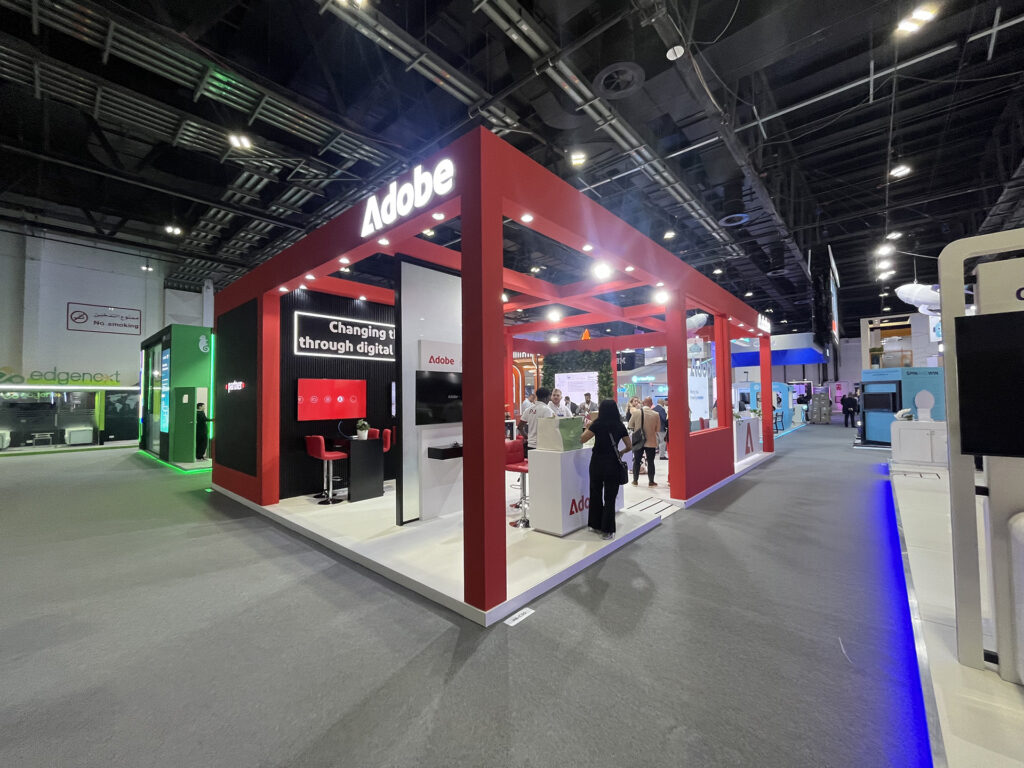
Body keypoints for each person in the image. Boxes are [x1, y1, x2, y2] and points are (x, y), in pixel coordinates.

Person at [580, 399, 632, 540]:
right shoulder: (619, 425)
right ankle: (608, 530)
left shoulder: (597, 424)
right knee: (610, 497)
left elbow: (582, 439)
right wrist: (621, 452)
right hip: (612, 464)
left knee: (595, 492)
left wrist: (588, 426)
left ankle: (595, 524)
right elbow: (629, 446)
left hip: (597, 462)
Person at [628, 397, 660, 487]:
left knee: (637, 461)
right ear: (651, 403)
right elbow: (657, 429)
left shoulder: (636, 413)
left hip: (639, 441)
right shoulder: (656, 414)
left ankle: (635, 481)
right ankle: (651, 481)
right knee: (651, 461)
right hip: (651, 441)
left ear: (643, 403)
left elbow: (630, 425)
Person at [518, 387, 554, 455]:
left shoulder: (528, 409)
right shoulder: (548, 411)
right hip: (543, 446)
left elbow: (520, 427)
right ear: (546, 397)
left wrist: (527, 437)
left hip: (530, 445)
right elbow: (551, 429)